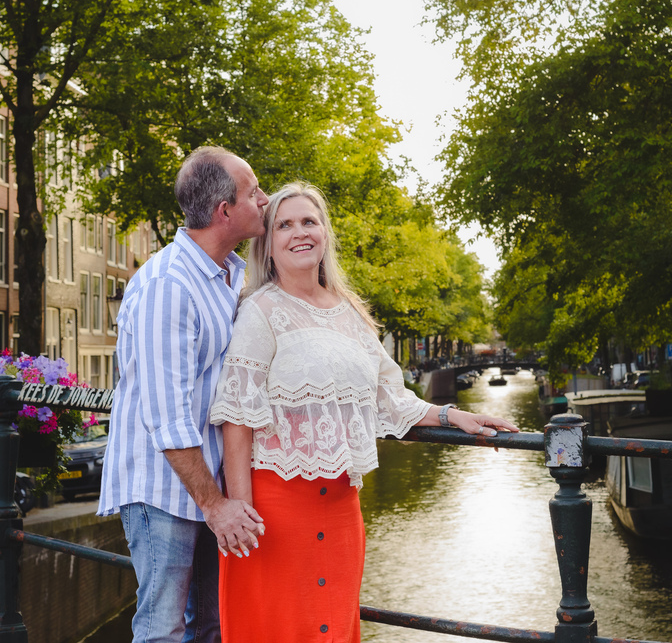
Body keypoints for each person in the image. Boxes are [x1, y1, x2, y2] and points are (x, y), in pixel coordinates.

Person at [208, 182, 518, 643]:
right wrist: (240, 507)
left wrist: (454, 417)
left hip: (341, 509)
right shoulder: (260, 311)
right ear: (268, 243)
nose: (300, 233)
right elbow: (237, 415)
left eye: (309, 222)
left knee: (334, 628)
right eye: (285, 225)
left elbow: (390, 397)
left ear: (325, 233)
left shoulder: (350, 312)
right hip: (275, 512)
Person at [98, 146, 269, 643]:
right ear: (224, 211)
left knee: (211, 625)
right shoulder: (168, 285)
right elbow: (166, 414)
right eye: (253, 191)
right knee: (162, 628)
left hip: (201, 483)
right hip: (163, 490)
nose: (264, 199)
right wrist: (217, 506)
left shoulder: (225, 275)